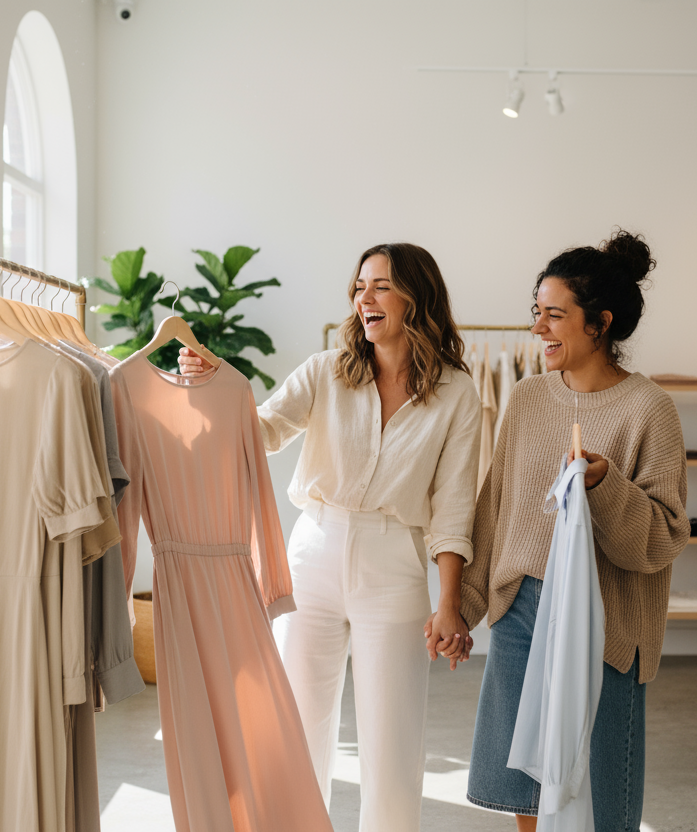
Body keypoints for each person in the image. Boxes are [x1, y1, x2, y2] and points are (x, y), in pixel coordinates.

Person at [178, 243, 481, 832]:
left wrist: (449, 604)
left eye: (382, 286)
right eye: (360, 287)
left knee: (392, 744)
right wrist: (218, 385)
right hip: (313, 550)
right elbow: (262, 431)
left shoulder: (456, 395)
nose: (364, 299)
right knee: (295, 727)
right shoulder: (326, 370)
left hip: (394, 563)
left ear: (418, 299)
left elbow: (454, 508)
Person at [456, 230, 689, 832]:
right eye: (536, 313)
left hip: (606, 624)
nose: (539, 329)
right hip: (523, 615)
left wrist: (604, 487)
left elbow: (663, 538)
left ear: (600, 323)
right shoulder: (529, 398)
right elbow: (495, 509)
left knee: (600, 796)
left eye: (555, 315)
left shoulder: (649, 408)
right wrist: (460, 608)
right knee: (528, 796)